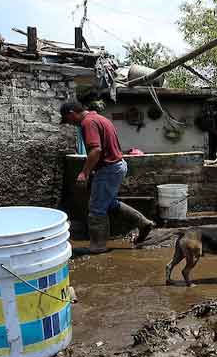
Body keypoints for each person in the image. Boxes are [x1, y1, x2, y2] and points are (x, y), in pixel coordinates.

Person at [60, 100, 155, 252]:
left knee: (96, 208)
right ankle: (143, 223)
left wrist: (84, 172)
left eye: (68, 120)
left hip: (109, 168)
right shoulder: (100, 118)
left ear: (72, 113)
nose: (70, 124)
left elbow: (96, 150)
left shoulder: (88, 123)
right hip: (117, 165)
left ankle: (98, 246)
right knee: (108, 203)